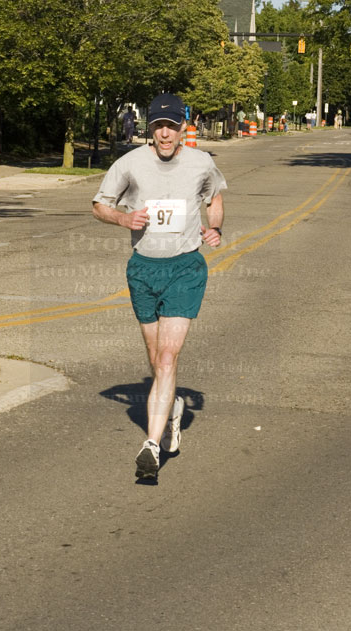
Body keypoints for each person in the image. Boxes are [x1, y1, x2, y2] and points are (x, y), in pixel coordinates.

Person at [92, 93, 227, 480]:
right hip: (143, 269)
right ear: (149, 129)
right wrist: (123, 219)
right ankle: (173, 407)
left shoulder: (201, 163)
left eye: (171, 126)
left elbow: (214, 199)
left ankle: (151, 446)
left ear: (183, 127)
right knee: (156, 359)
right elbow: (100, 205)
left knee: (167, 358)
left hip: (185, 268)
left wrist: (215, 228)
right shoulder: (129, 164)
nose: (165, 133)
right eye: (158, 127)